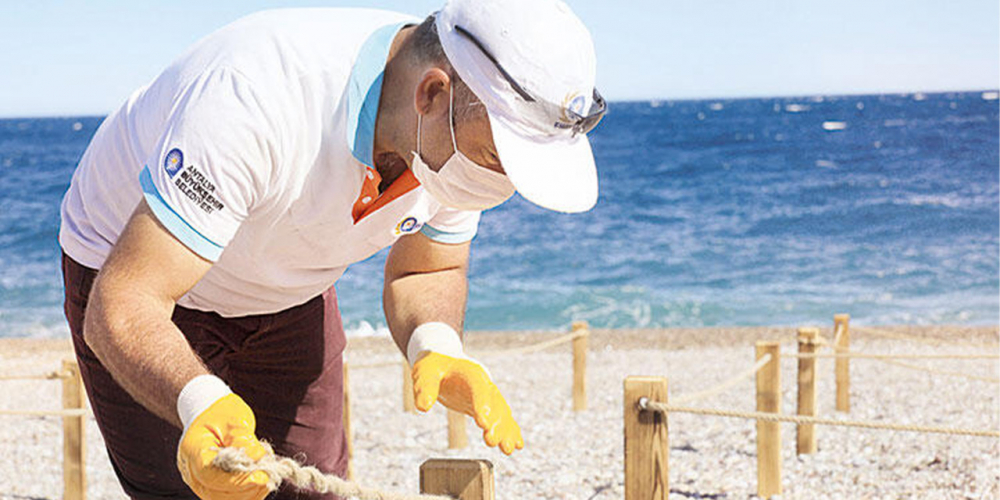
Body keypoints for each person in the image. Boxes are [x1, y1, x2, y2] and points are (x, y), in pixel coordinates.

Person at [58, 0, 605, 498]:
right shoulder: (256, 97)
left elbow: (426, 269)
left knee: (313, 491)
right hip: (136, 277)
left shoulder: (452, 145)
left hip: (289, 289)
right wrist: (198, 401)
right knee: (193, 485)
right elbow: (124, 303)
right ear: (433, 94)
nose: (502, 185)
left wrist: (436, 345)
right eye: (496, 159)